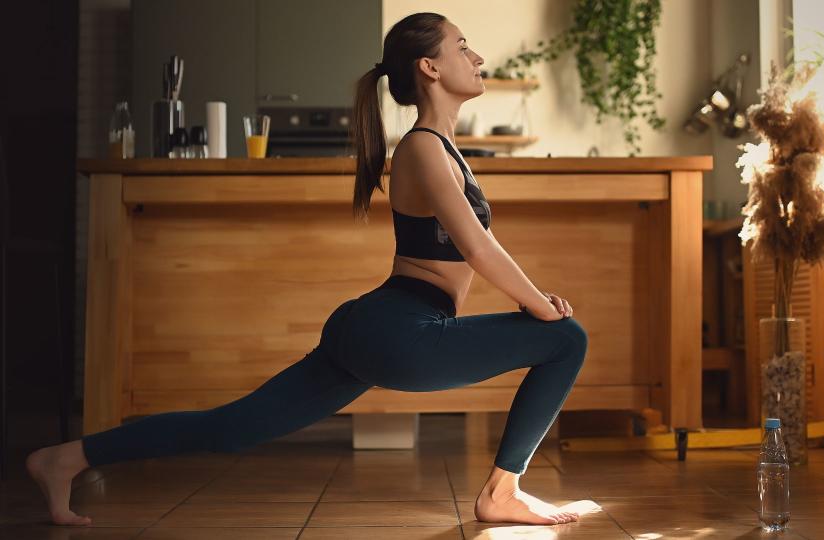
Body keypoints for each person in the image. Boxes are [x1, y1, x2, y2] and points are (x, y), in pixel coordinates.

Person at [26, 11, 588, 527]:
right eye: (463, 47)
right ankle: (502, 493)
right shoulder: (423, 148)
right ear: (430, 67)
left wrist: (533, 299)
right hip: (401, 329)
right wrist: (539, 305)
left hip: (378, 327)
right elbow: (478, 249)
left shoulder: (444, 147)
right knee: (565, 339)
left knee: (232, 428)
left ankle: (64, 459)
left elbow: (482, 244)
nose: (478, 57)